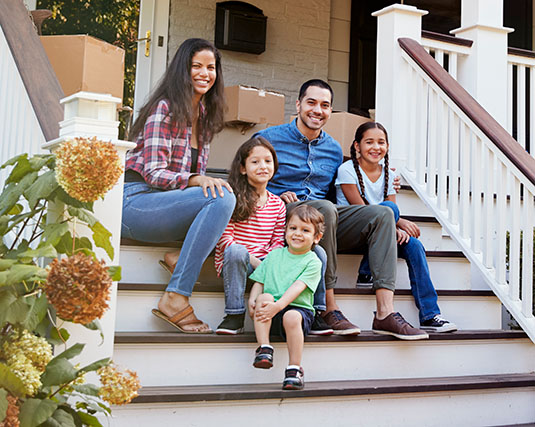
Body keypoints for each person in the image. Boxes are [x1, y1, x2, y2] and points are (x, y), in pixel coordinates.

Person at [255, 79, 428, 340]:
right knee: (325, 208)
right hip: (286, 215)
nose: (317, 110)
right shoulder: (269, 138)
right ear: (298, 104)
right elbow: (248, 179)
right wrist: (278, 195)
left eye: (325, 105)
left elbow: (335, 195)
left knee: (382, 213)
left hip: (326, 217)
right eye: (311, 102)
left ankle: (384, 313)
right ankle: (328, 307)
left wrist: (393, 203)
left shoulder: (333, 148)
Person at [121, 38, 235, 334]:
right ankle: (175, 296)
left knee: (229, 196)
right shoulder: (165, 108)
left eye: (211, 67)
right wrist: (196, 180)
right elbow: (154, 173)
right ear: (182, 70)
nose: (204, 73)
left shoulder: (205, 116)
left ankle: (180, 258)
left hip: (165, 205)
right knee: (219, 198)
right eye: (196, 66)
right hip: (135, 202)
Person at [335, 122, 457, 332]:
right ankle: (366, 271)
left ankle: (430, 314)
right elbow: (364, 211)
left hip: (379, 238)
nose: (376, 147)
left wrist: (399, 225)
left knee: (415, 245)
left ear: (387, 146)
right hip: (353, 233)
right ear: (357, 146)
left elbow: (391, 213)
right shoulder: (347, 170)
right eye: (369, 142)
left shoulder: (389, 175)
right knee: (389, 208)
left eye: (381, 142)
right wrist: (395, 223)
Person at [213, 136, 286, 334]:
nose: (263, 166)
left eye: (268, 161)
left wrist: (267, 265)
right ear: (243, 168)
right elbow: (225, 241)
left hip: (265, 263)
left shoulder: (278, 204)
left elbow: (278, 241)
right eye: (255, 162)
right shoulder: (231, 198)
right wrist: (257, 264)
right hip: (239, 262)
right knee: (236, 250)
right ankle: (234, 315)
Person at [249, 205, 324, 390]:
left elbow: (298, 287)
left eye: (305, 230)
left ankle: (294, 369)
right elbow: (260, 281)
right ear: (285, 231)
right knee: (264, 297)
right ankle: (265, 348)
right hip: (271, 314)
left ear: (317, 238)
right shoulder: (274, 256)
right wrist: (253, 300)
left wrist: (279, 306)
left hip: (298, 313)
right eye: (293, 228)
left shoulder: (313, 261)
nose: (297, 234)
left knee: (291, 316)